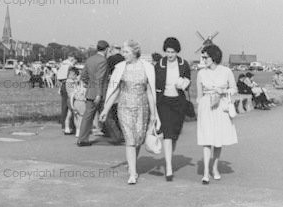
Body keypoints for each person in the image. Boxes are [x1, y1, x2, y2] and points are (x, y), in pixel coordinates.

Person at [99, 40, 160, 184]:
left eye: (126, 52)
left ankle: (132, 164)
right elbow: (115, 90)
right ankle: (132, 173)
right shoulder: (120, 68)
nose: (123, 55)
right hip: (124, 106)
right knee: (130, 140)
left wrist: (153, 113)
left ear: (134, 52)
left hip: (142, 107)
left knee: (138, 138)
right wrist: (106, 109)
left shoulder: (147, 68)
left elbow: (150, 91)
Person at [196, 44, 238, 184]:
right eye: (203, 57)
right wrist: (201, 108)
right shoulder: (201, 73)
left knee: (218, 140)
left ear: (213, 57)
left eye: (206, 57)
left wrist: (224, 92)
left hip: (221, 105)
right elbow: (199, 95)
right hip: (207, 106)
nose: (203, 59)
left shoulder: (226, 71)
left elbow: (234, 89)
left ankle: (215, 168)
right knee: (207, 140)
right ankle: (206, 172)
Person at [154, 37, 191, 181]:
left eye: (173, 52)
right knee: (167, 133)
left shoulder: (184, 64)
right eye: (168, 52)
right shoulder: (160, 64)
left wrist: (184, 83)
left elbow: (188, 79)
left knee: (174, 134)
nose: (170, 55)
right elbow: (154, 83)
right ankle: (168, 167)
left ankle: (169, 156)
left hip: (178, 102)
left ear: (177, 52)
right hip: (164, 102)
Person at [77, 40, 109, 146]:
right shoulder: (103, 61)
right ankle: (116, 136)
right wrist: (99, 93)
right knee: (107, 115)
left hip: (90, 92)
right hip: (100, 93)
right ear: (106, 49)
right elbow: (100, 78)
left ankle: (82, 139)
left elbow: (83, 76)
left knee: (87, 116)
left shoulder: (90, 59)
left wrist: (90, 85)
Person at [103, 45, 125, 144]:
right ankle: (122, 132)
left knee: (111, 111)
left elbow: (106, 71)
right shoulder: (123, 58)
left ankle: (116, 135)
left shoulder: (110, 59)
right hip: (122, 84)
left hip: (112, 82)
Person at [57, 54, 77, 133]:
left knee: (64, 107)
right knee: (70, 106)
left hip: (63, 85)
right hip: (69, 84)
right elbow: (72, 76)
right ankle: (70, 126)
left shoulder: (62, 65)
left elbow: (59, 77)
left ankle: (64, 125)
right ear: (72, 58)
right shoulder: (70, 66)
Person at [64, 67, 85, 137]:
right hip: (72, 99)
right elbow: (75, 83)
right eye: (71, 74)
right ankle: (75, 129)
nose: (71, 76)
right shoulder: (69, 81)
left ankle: (67, 128)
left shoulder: (69, 81)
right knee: (75, 115)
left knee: (70, 114)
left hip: (70, 99)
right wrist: (79, 79)